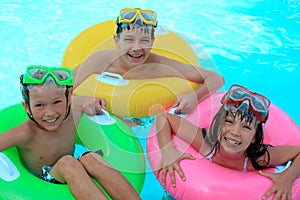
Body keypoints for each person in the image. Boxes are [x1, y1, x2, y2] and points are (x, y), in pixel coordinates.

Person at [0, 65, 140, 200]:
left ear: (68, 99)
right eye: (39, 105)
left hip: (75, 171)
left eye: (57, 102)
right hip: (44, 182)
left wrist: (94, 103)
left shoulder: (75, 112)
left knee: (91, 158)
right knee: (68, 162)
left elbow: (90, 99)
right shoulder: (26, 132)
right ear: (27, 107)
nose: (50, 112)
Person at [155, 84, 300, 200]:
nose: (235, 132)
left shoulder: (258, 158)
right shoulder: (206, 143)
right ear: (218, 124)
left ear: (254, 138)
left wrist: (287, 177)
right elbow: (164, 117)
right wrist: (168, 151)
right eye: (229, 122)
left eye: (246, 127)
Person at [73, 8, 224, 115]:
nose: (137, 48)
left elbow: (216, 78)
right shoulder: (99, 61)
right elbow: (62, 90)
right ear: (116, 40)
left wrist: (194, 97)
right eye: (129, 40)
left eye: (144, 41)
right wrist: (82, 100)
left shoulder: (160, 65)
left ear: (152, 42)